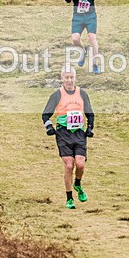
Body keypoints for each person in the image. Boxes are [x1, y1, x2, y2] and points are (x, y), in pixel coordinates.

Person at [42, 66, 95, 209]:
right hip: (63, 133)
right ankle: (69, 198)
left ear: (75, 78)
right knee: (69, 165)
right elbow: (45, 114)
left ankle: (77, 183)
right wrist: (49, 127)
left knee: (80, 164)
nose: (69, 80)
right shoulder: (57, 95)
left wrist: (90, 127)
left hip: (78, 132)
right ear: (62, 79)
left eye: (72, 77)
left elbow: (90, 113)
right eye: (67, 77)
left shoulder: (82, 94)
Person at [64, 0, 112, 74]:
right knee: (75, 38)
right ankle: (83, 52)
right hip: (77, 16)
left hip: (90, 15)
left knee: (92, 38)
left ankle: (95, 64)